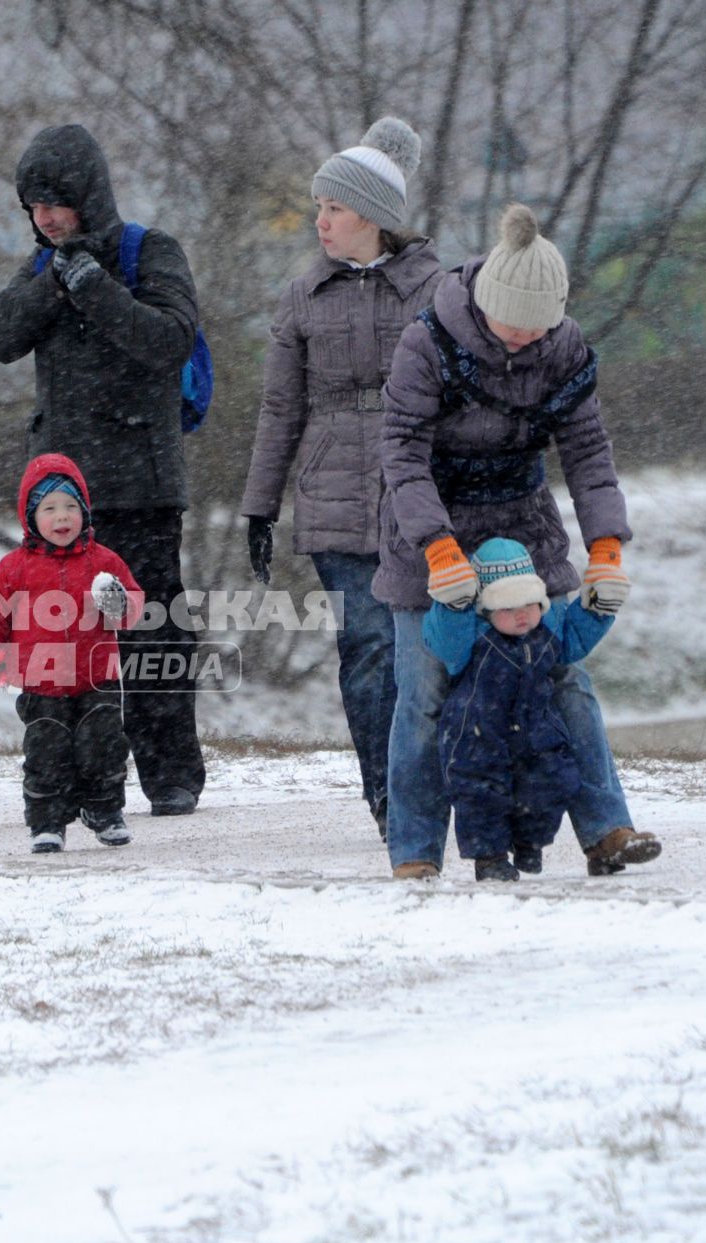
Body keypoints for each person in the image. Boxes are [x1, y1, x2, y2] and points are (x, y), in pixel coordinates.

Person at [376, 203, 662, 879]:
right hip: (430, 524)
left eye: (539, 326)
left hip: (521, 525)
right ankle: (414, 851)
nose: (524, 338)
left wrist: (606, 545)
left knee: (564, 676)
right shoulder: (426, 344)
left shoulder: (561, 349)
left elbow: (588, 452)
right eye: (514, 324)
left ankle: (606, 828)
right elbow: (401, 453)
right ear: (483, 301)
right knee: (421, 690)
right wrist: (436, 546)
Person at [0, 123, 205, 817]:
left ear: (89, 197)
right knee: (63, 643)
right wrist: (54, 280)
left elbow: (169, 340)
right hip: (64, 502)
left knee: (152, 630)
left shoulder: (148, 252)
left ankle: (170, 774)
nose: (44, 218)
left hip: (141, 486)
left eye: (56, 203)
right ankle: (78, 774)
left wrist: (94, 286)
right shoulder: (42, 265)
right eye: (33, 206)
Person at [241, 117, 442, 840]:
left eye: (332, 207)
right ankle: (388, 799)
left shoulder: (439, 288)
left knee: (424, 653)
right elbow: (278, 407)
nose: (319, 220)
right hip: (331, 498)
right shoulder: (303, 297)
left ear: (373, 217)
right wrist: (258, 508)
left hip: (420, 496)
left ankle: (430, 786)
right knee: (366, 650)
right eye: (319, 207)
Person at [0, 453, 144, 853]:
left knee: (104, 745)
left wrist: (117, 602)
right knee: (47, 751)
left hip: (98, 677)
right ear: (30, 517)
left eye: (70, 507)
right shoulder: (13, 568)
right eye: (49, 509)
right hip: (41, 680)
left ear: (84, 511)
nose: (61, 517)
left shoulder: (104, 561)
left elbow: (133, 608)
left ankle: (105, 811)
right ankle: (47, 822)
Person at [423, 538, 617, 881]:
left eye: (530, 603)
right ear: (485, 608)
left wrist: (598, 608)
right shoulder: (470, 641)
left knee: (550, 785)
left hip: (535, 734)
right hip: (477, 737)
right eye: (509, 607)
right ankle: (490, 859)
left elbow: (576, 638)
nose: (522, 614)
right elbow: (443, 636)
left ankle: (530, 842)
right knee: (483, 798)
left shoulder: (545, 637)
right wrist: (452, 603)